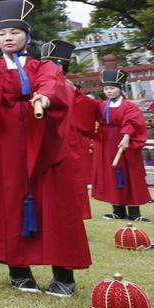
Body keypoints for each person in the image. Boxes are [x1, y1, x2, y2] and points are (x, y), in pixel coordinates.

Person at [0, 0, 91, 301]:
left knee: (55, 203)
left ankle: (63, 273)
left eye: (14, 33)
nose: (8, 38)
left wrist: (44, 97)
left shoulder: (42, 66)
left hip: (42, 139)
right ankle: (19, 271)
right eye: (2, 34)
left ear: (27, 36)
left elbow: (52, 82)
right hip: (4, 145)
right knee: (8, 202)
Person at [41, 39, 96, 220]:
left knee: (67, 179)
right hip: (48, 137)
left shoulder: (66, 86)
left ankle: (69, 217)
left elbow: (86, 112)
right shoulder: (47, 83)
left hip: (65, 138)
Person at [89, 68, 149, 220]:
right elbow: (85, 108)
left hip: (125, 145)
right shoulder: (101, 105)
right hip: (106, 145)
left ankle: (135, 213)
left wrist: (127, 135)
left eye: (112, 88)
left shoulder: (129, 106)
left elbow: (134, 122)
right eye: (106, 88)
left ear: (120, 89)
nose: (108, 91)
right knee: (111, 176)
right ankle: (118, 210)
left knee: (129, 175)